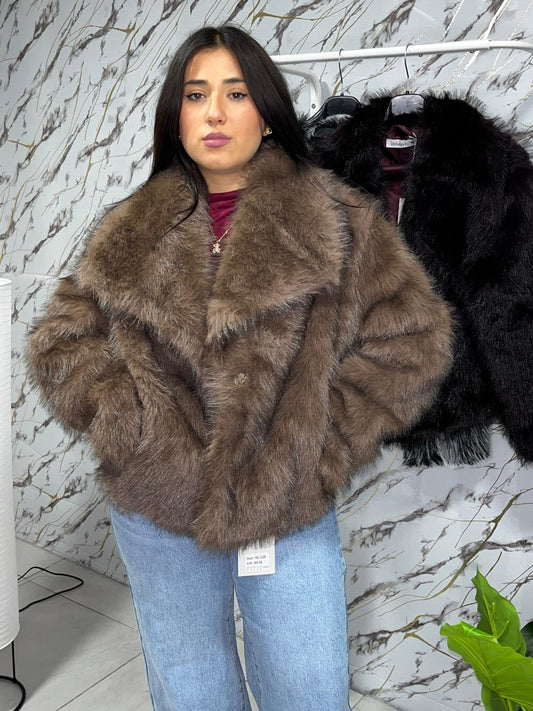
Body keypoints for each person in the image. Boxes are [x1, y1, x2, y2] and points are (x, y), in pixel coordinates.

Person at [26, 24, 452, 711]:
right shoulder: (130, 228)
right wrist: (126, 418)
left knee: (308, 687)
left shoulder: (340, 219)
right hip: (157, 496)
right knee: (189, 685)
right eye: (196, 95)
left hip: (287, 500)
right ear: (176, 115)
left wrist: (320, 440)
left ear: (269, 112)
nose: (215, 112)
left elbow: (414, 339)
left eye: (237, 92)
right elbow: (60, 338)